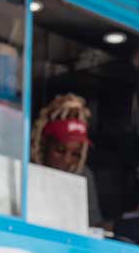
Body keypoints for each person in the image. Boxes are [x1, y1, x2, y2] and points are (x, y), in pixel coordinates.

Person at [31, 93, 104, 227]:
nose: (67, 159)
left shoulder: (83, 176)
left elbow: (93, 226)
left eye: (75, 154)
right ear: (44, 144)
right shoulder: (28, 170)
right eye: (59, 150)